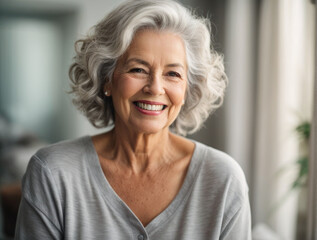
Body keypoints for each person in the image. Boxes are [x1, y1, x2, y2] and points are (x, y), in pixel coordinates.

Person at [15, 0, 251, 239]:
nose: (155, 88)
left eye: (173, 74)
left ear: (188, 89)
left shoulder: (223, 179)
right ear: (107, 78)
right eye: (138, 69)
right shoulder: (53, 173)